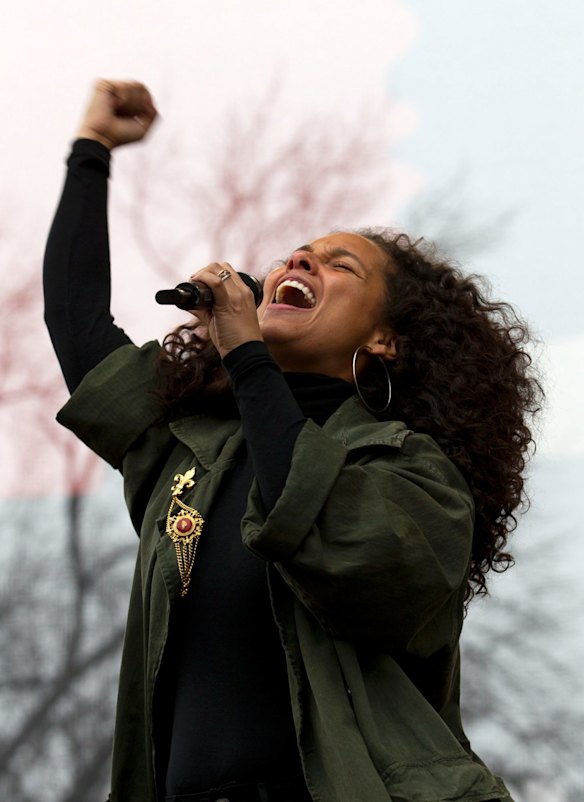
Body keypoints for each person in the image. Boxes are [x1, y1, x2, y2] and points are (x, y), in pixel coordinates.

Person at [44, 80, 542, 802]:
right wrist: (91, 149)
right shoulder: (193, 448)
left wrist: (246, 353)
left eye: (341, 266)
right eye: (295, 255)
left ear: (386, 341)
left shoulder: (412, 474)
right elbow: (77, 323)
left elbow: (315, 517)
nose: (300, 263)